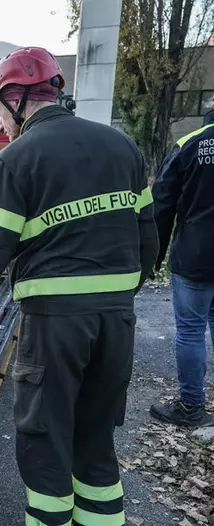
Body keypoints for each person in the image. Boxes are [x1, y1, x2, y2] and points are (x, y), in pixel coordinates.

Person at [0, 47, 158, 526]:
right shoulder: (122, 147)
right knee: (95, 439)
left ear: (16, 98)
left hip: (55, 325)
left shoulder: (15, 159)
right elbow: (148, 239)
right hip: (117, 321)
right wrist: (114, 296)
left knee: (46, 440)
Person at [149, 108, 214, 428]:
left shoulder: (190, 144)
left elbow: (161, 205)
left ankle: (191, 406)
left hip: (195, 257)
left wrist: (154, 256)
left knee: (190, 330)